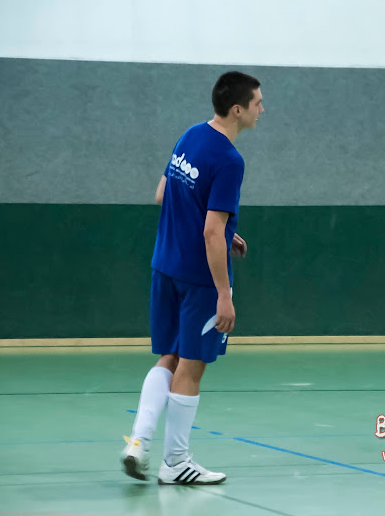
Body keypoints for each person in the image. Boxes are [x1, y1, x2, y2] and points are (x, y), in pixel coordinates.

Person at [120, 71, 263, 485]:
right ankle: (176, 463)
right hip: (198, 279)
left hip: (164, 267)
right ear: (237, 109)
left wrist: (222, 231)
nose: (262, 110)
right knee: (192, 367)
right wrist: (224, 295)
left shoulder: (190, 135)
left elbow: (164, 194)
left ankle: (138, 443)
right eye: (257, 103)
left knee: (168, 357)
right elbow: (210, 232)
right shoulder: (230, 160)